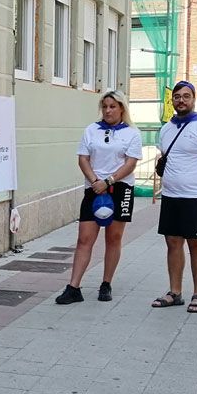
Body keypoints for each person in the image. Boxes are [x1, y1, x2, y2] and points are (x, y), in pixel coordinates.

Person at [56, 90, 143, 304]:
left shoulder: (132, 133)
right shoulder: (91, 130)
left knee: (113, 238)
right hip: (94, 189)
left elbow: (130, 164)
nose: (108, 110)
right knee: (84, 239)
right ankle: (74, 287)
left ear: (122, 108)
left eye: (113, 106)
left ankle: (106, 284)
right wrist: (95, 181)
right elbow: (83, 159)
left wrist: (109, 181)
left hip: (120, 189)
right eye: (105, 106)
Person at [152, 81, 197, 313]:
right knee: (172, 243)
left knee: (196, 243)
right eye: (177, 96)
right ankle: (175, 292)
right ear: (172, 100)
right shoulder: (166, 129)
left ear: (193, 99)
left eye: (186, 96)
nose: (181, 100)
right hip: (171, 196)